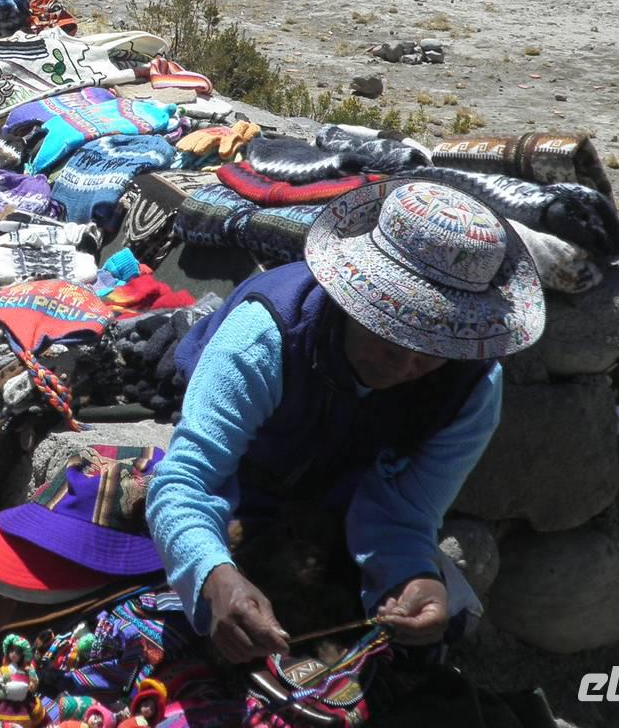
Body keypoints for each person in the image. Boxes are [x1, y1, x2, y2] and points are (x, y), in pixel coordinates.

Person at [146, 179, 546, 664]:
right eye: (390, 338)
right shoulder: (265, 337)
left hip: (337, 496)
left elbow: (407, 511)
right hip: (246, 481)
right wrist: (212, 578)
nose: (404, 367)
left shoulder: (471, 388)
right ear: (350, 301)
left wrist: (412, 574)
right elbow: (188, 480)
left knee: (429, 643)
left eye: (432, 351)